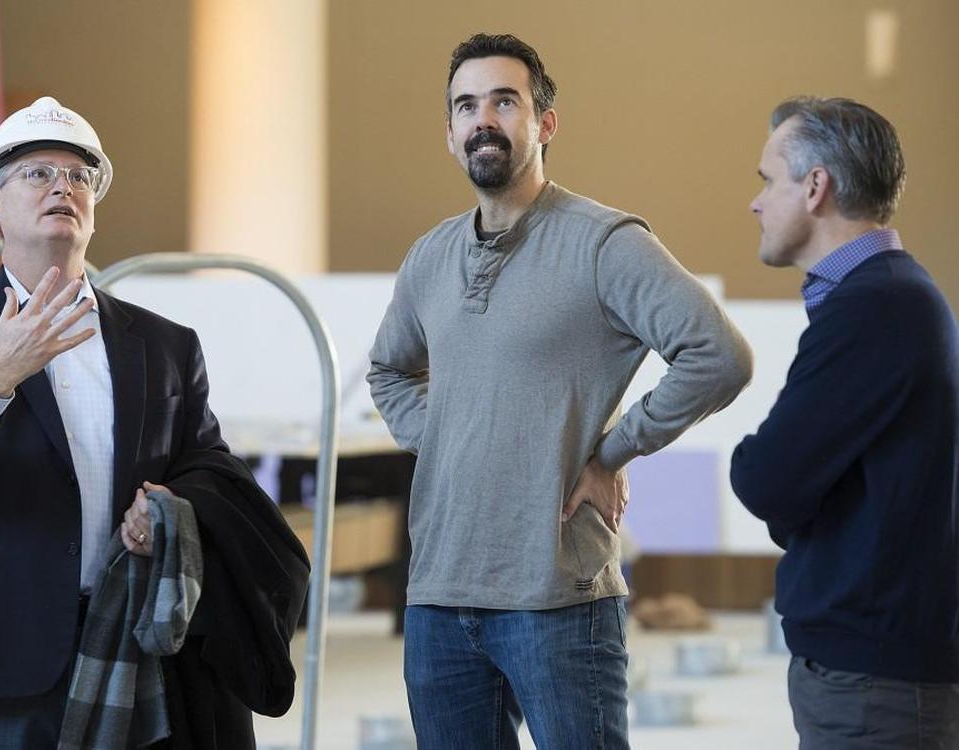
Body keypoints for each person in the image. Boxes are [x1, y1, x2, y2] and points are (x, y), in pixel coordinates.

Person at [0, 96, 307, 749]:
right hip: (3, 640)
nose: (63, 186)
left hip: (143, 632)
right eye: (38, 173)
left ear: (92, 206)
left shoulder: (166, 344)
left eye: (78, 177)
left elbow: (209, 464)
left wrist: (171, 503)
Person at [367, 33, 752, 748]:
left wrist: (613, 452)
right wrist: (444, 436)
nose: (484, 118)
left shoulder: (605, 243)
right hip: (438, 600)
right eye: (466, 105)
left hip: (558, 600)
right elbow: (388, 370)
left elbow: (718, 354)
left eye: (504, 101)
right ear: (450, 134)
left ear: (544, 123)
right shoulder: (429, 257)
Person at [731, 97, 959, 748]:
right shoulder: (892, 297)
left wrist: (793, 495)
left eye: (766, 180)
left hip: (873, 687)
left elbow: (766, 480)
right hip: (877, 676)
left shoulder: (877, 307)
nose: (756, 202)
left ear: (814, 187)